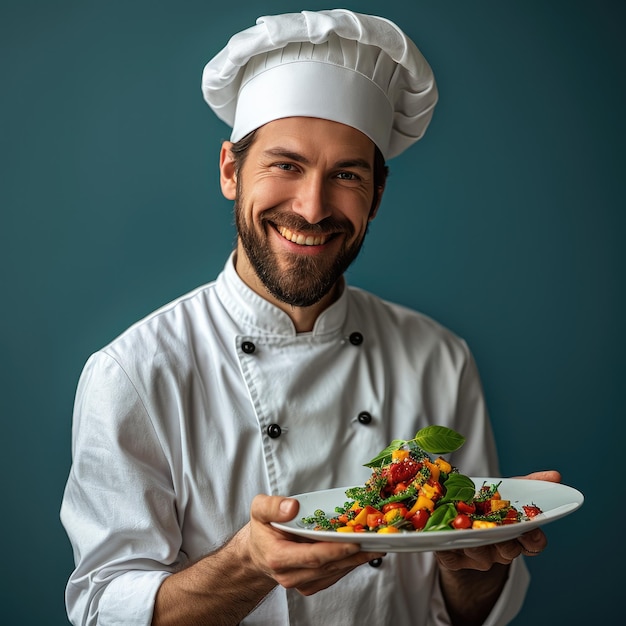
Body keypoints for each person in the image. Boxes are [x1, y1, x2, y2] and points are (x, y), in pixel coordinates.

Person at [60, 9, 560, 626]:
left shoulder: (439, 357)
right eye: (285, 164)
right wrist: (248, 564)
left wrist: (474, 568)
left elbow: (467, 612)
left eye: (346, 174)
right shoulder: (134, 373)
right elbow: (103, 610)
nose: (313, 207)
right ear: (230, 170)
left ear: (376, 195)